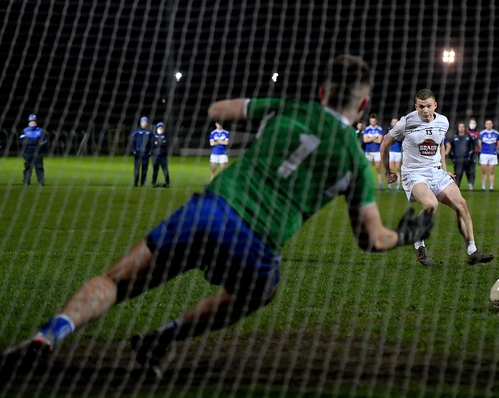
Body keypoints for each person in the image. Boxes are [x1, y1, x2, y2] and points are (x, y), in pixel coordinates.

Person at [1, 54, 434, 376]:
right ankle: (162, 337)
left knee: (117, 282)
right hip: (258, 244)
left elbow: (218, 111)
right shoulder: (354, 161)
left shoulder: (287, 109)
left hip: (210, 211)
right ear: (363, 107)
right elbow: (370, 239)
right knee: (260, 293)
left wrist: (259, 113)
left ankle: (49, 335)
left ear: (321, 92)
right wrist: (403, 233)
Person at [380, 89, 494, 267]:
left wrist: (444, 168)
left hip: (436, 172)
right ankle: (418, 243)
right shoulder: (406, 122)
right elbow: (385, 144)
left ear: (435, 105)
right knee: (431, 204)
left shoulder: (443, 121)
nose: (425, 110)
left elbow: (440, 143)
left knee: (462, 205)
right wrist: (387, 172)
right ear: (415, 106)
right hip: (414, 173)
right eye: (421, 106)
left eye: (428, 106)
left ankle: (472, 251)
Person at [20, 114, 47, 186]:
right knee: (28, 167)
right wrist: (34, 141)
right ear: (29, 123)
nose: (33, 124)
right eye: (31, 122)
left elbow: (44, 141)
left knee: (39, 167)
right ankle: (26, 182)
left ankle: (40, 182)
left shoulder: (41, 130)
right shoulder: (24, 130)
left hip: (38, 152)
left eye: (34, 122)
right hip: (28, 152)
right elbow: (22, 141)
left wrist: (31, 142)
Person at [449, 122, 476, 189]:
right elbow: (451, 148)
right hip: (457, 159)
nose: (461, 128)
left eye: (462, 127)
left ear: (464, 128)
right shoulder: (454, 137)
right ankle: (457, 186)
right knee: (457, 173)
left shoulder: (468, 137)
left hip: (466, 158)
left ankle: (471, 186)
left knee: (469, 173)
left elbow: (472, 147)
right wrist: (453, 158)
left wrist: (470, 157)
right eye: (460, 127)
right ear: (458, 128)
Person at [362, 114, 384, 191]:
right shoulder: (367, 129)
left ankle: (380, 185)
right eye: (371, 121)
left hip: (377, 151)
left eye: (374, 121)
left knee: (378, 168)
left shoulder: (379, 129)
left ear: (376, 121)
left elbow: (379, 141)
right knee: (368, 169)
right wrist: (375, 138)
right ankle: (367, 185)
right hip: (369, 151)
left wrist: (370, 138)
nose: (372, 122)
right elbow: (365, 140)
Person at [477, 120, 499, 191]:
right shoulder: (482, 133)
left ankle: (491, 187)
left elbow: (498, 143)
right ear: (485, 125)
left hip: (492, 154)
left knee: (492, 171)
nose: (489, 125)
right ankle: (483, 187)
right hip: (484, 154)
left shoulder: (496, 133)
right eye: (487, 124)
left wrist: (494, 150)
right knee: (484, 171)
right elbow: (479, 144)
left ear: (492, 125)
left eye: (490, 123)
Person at [131, 117, 153, 187]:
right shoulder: (136, 131)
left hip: (146, 154)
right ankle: (135, 183)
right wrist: (134, 150)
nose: (144, 123)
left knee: (144, 170)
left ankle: (143, 183)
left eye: (145, 122)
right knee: (137, 169)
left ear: (147, 123)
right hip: (138, 153)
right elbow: (132, 142)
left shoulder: (150, 132)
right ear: (141, 123)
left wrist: (150, 152)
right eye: (143, 122)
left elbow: (152, 143)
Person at [151, 122, 170, 188]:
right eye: (159, 127)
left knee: (165, 170)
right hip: (155, 156)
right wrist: (160, 143)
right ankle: (153, 183)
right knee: (155, 170)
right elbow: (153, 144)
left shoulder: (165, 136)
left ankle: (167, 183)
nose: (160, 129)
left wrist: (158, 143)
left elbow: (165, 144)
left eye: (161, 127)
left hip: (163, 156)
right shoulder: (154, 136)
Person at [388, 118, 404, 191]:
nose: (394, 123)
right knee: (390, 169)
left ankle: (398, 186)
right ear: (391, 123)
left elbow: (402, 140)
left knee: (398, 168)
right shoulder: (389, 130)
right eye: (393, 122)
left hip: (398, 152)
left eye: (396, 122)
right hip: (391, 152)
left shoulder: (401, 131)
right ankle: (390, 186)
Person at [466, 118, 481, 187]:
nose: (472, 124)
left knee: (473, 169)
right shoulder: (466, 132)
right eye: (471, 123)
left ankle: (471, 184)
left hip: (475, 152)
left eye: (473, 123)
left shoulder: (478, 133)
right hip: (466, 153)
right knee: (466, 169)